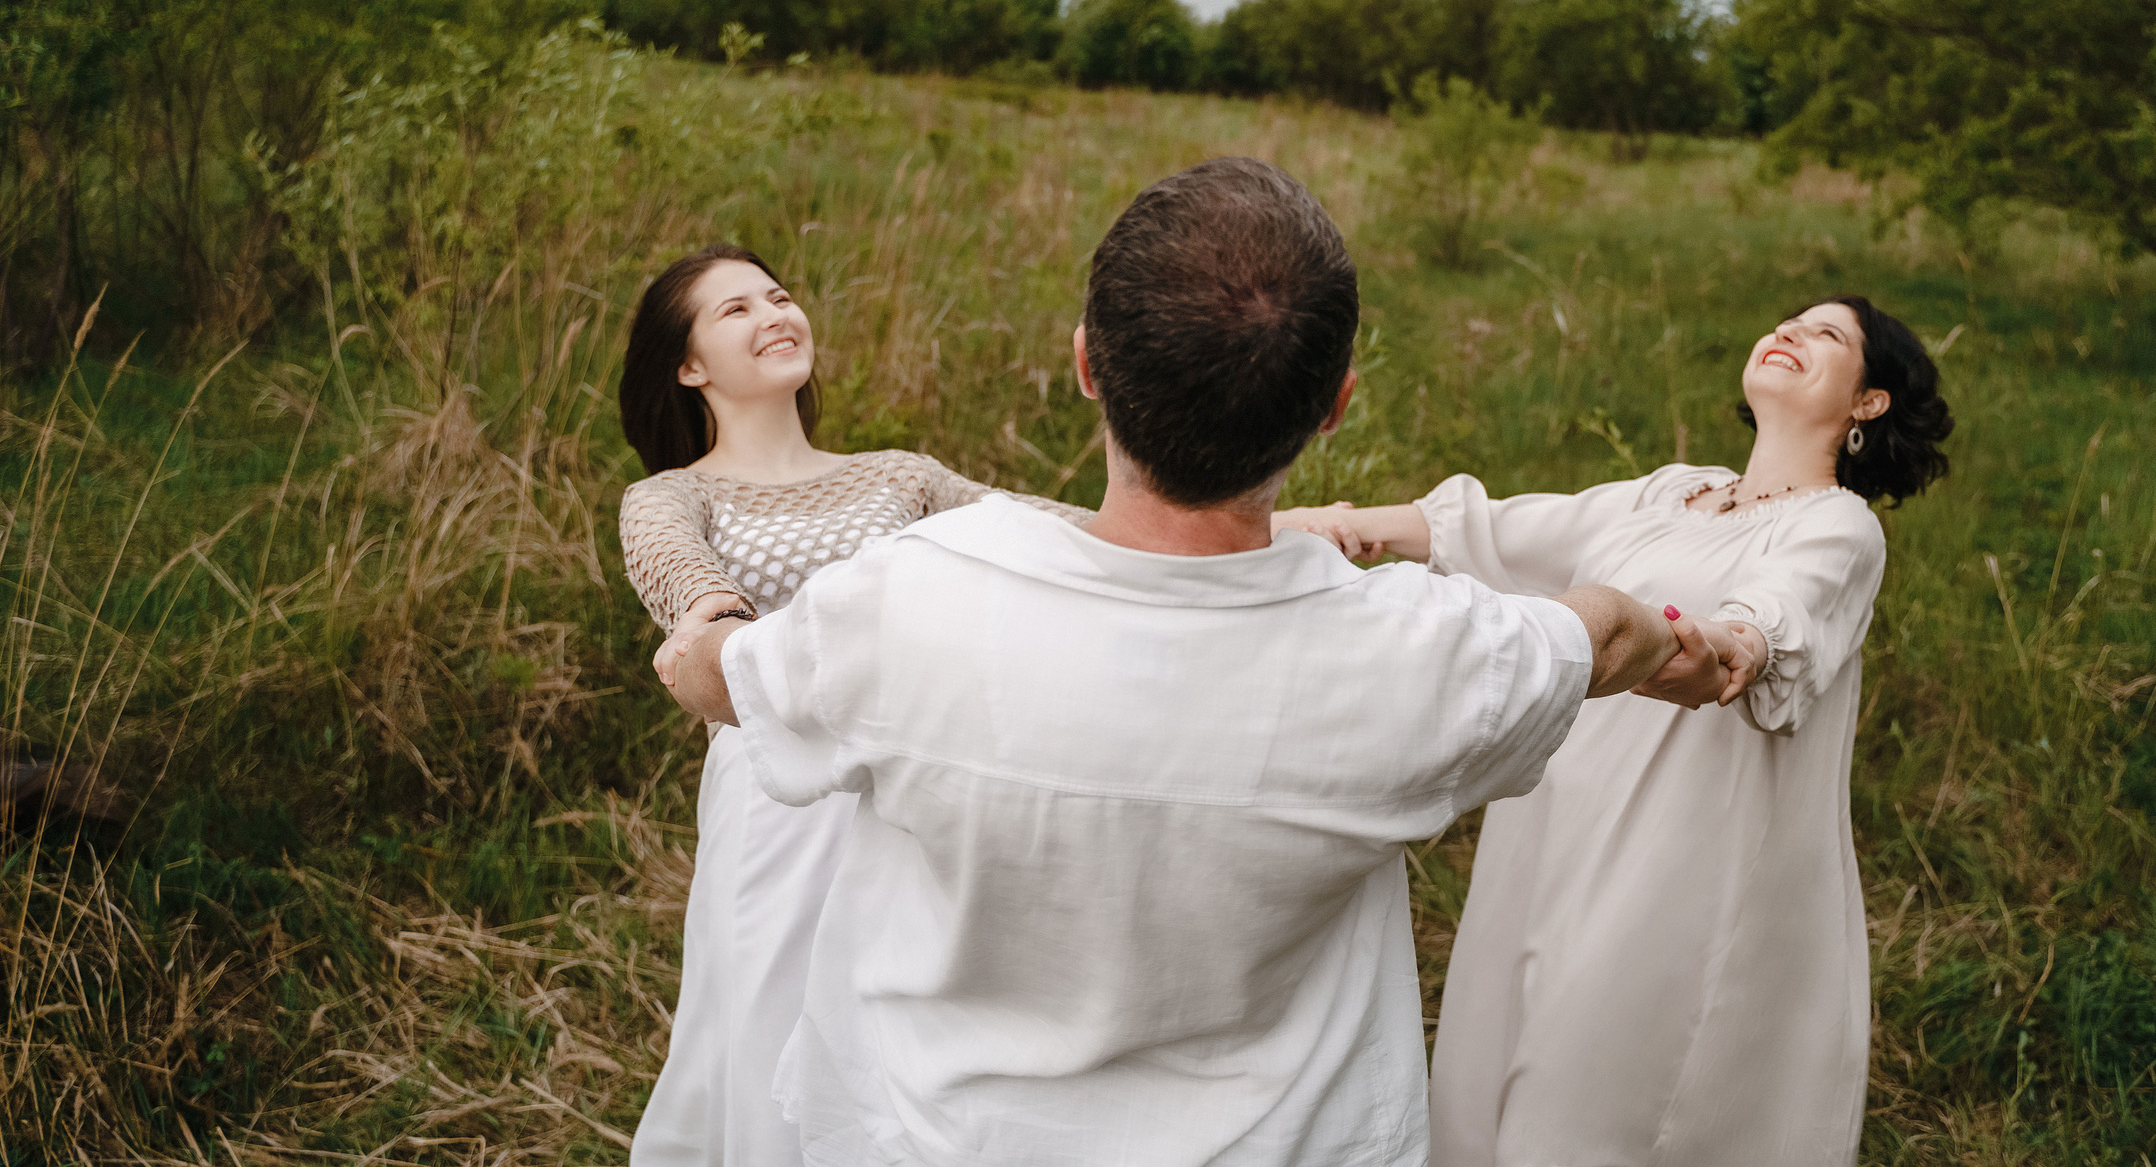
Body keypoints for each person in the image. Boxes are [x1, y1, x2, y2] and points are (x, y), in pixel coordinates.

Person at [663, 158, 1731, 1166]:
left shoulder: (908, 598)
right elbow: (1599, 637)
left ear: (1086, 361)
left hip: (929, 1138)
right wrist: (1669, 638)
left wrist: (702, 620)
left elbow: (714, 679)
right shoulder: (1426, 651)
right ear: (1333, 406)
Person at [1276, 295, 1954, 1167]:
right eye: (1785, 321)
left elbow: (1762, 633)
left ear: (1869, 403)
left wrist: (1715, 644)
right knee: (1481, 1083)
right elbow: (1497, 530)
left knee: (1586, 1106)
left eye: (1827, 336)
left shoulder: (1838, 526)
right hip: (1550, 828)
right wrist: (1337, 524)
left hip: (1673, 859)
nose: (1787, 332)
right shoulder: (1674, 491)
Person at [616, 243, 1086, 1167]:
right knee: (767, 1017)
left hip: (911, 785)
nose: (774, 314)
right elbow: (685, 581)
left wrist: (1245, 527)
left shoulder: (898, 477)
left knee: (905, 1031)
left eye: (781, 295)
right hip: (774, 800)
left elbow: (1049, 533)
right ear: (689, 365)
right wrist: (714, 619)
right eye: (736, 310)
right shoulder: (671, 495)